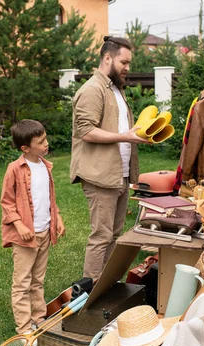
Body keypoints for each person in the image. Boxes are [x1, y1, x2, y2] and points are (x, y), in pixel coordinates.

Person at [70, 36, 148, 282]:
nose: (127, 68)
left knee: (114, 235)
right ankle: (90, 292)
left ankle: (106, 285)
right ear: (107, 58)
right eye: (123, 62)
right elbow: (86, 131)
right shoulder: (92, 90)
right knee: (101, 236)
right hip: (100, 176)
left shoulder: (116, 89)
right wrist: (123, 136)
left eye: (129, 63)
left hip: (119, 174)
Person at [1, 119, 65, 335]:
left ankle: (39, 319)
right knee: (22, 283)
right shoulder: (15, 170)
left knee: (38, 280)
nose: (46, 144)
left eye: (45, 139)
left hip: (45, 231)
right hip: (25, 237)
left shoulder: (46, 167)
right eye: (41, 142)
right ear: (25, 148)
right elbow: (7, 202)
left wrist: (57, 217)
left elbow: (48, 198)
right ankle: (24, 329)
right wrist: (19, 225)